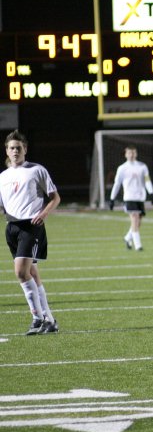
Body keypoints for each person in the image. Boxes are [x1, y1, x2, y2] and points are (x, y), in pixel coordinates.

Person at [0, 130, 60, 335]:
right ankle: (50, 320)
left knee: (20, 272)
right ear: (6, 151)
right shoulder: (3, 176)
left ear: (25, 149)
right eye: (11, 148)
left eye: (18, 147)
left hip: (31, 226)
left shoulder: (36, 170)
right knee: (32, 273)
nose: (15, 151)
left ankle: (37, 318)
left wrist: (43, 214)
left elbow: (55, 198)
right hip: (12, 227)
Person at [109, 145, 153, 251]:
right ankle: (138, 245)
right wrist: (112, 199)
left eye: (133, 152)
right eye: (129, 153)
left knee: (138, 222)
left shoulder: (142, 166)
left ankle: (127, 238)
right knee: (134, 219)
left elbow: (147, 181)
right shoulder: (122, 168)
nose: (131, 155)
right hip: (129, 197)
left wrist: (151, 193)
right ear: (125, 154)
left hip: (140, 197)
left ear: (136, 154)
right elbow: (117, 184)